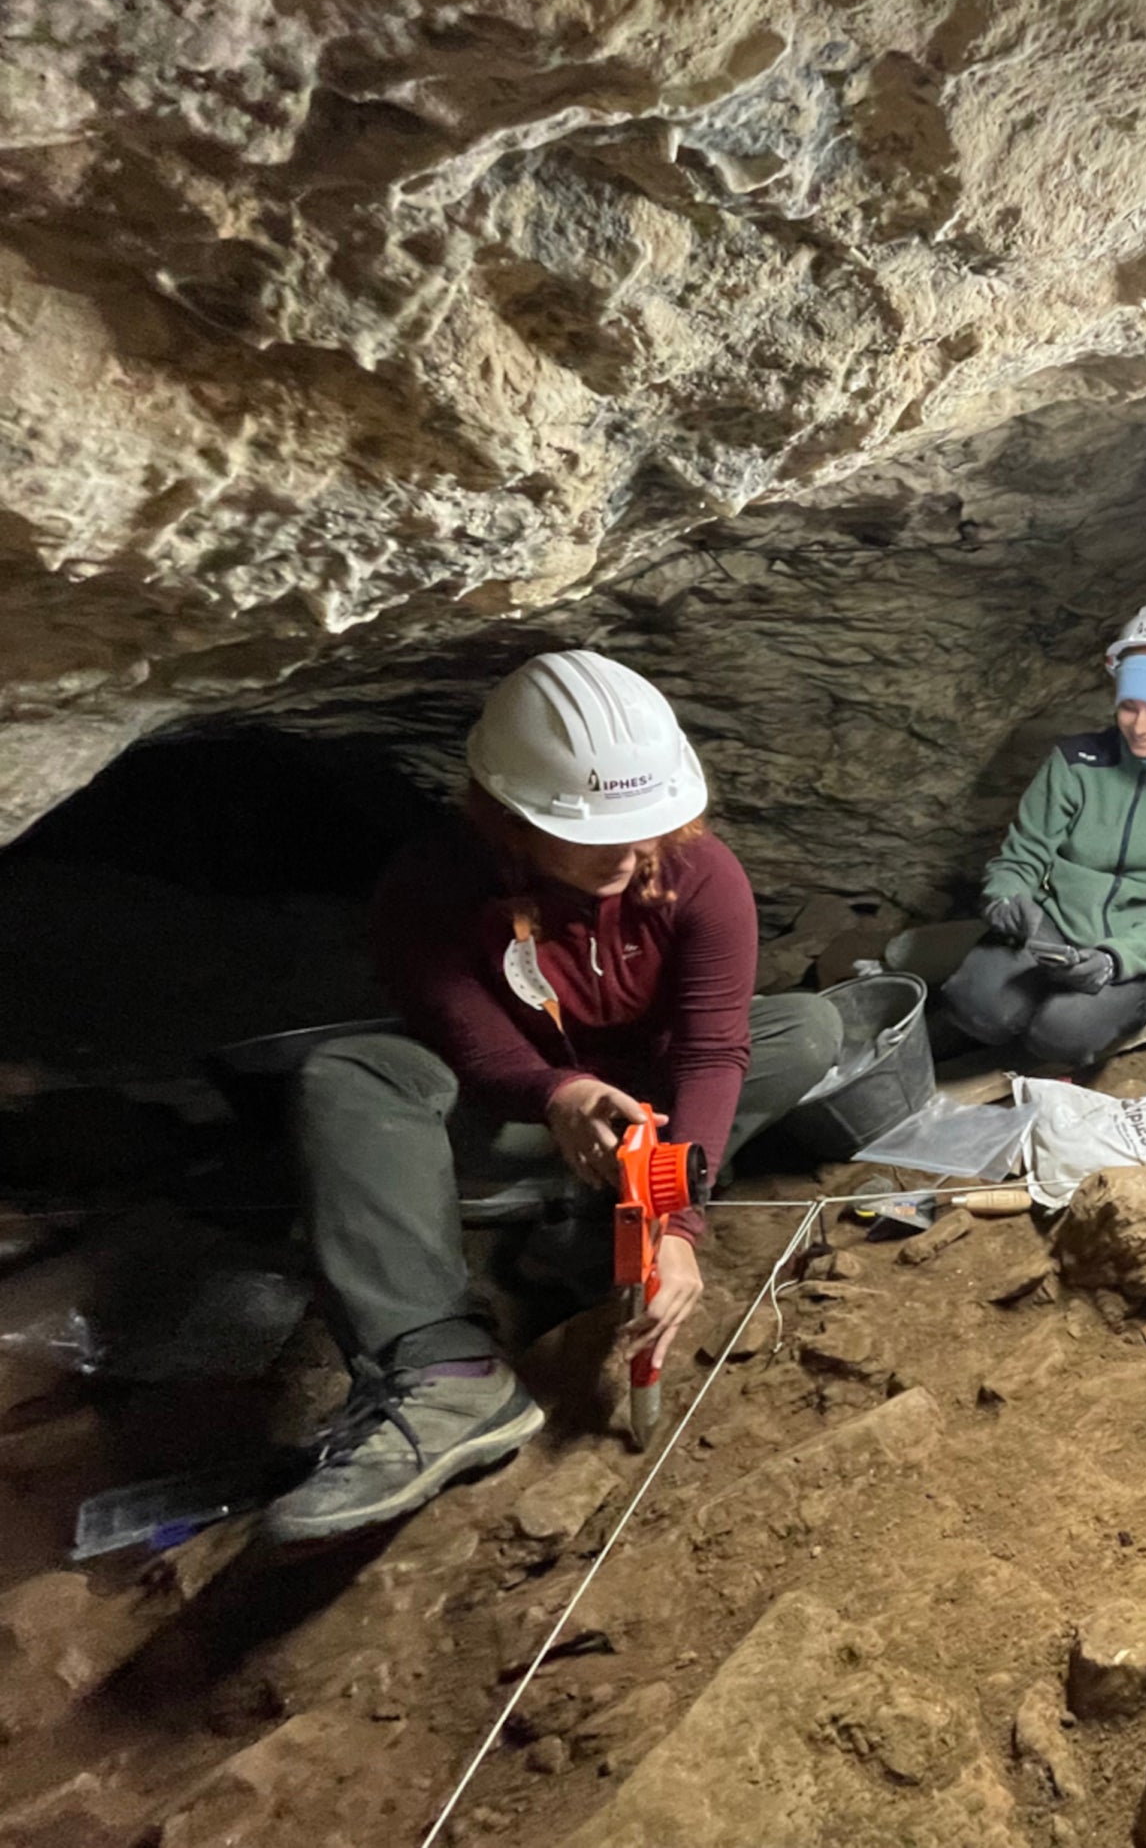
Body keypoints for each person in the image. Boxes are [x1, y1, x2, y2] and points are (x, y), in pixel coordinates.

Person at [269, 651, 841, 1542]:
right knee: (351, 1073)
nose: (629, 851)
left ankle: (604, 1207)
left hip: (645, 1116)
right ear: (510, 816)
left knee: (806, 1029)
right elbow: (473, 1042)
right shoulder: (430, 888)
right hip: (512, 1118)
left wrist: (674, 1222)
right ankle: (448, 1374)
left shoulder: (698, 873)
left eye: (645, 825)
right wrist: (557, 1093)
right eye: (594, 829)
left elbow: (711, 1047)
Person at [941, 602, 1146, 1066]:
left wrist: (1114, 960)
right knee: (974, 1005)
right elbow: (1021, 858)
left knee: (1061, 1032)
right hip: (1053, 933)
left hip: (1138, 947)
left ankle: (1081, 1010)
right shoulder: (1074, 762)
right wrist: (1007, 897)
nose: (1140, 726)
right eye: (1129, 706)